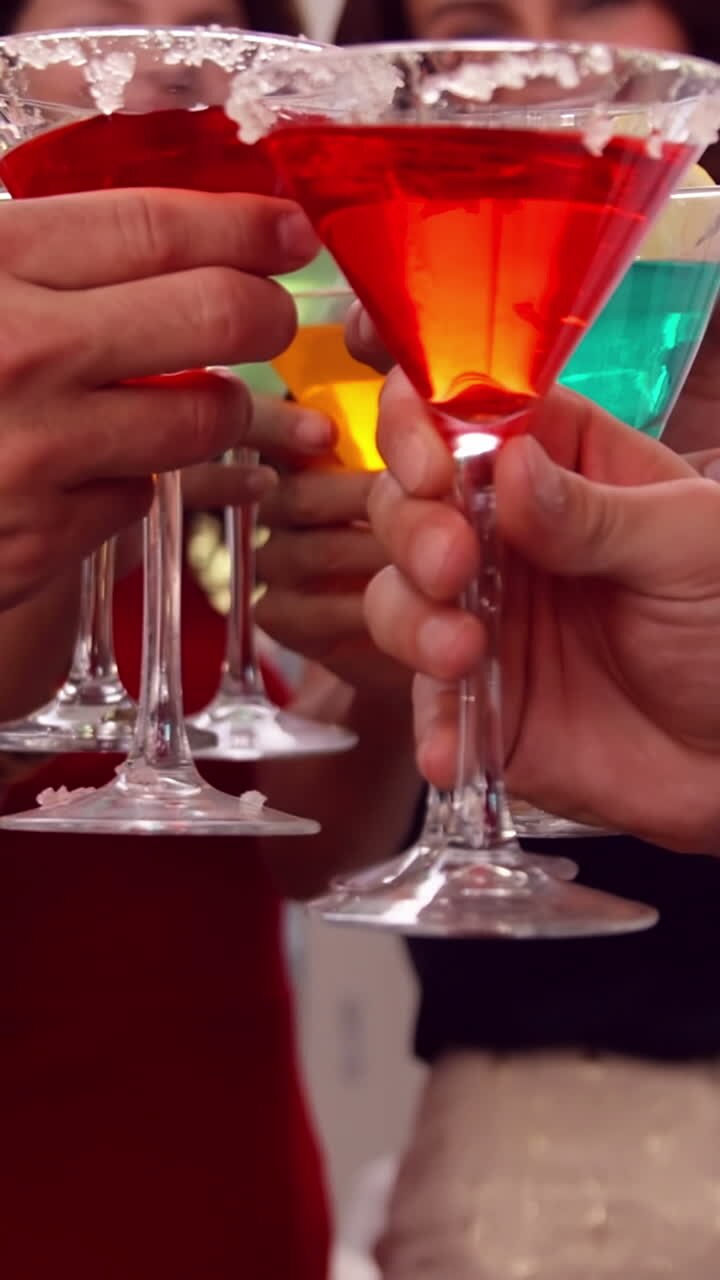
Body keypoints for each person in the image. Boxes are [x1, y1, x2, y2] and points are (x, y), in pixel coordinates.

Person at [0, 2, 347, 1278]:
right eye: (105, 7)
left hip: (238, 1178)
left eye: (205, 20)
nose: (157, 53)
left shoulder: (221, 440)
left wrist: (369, 661)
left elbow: (303, 853)